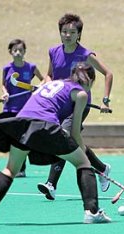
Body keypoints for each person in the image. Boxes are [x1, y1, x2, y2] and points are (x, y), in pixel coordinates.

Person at [0, 62, 111, 225]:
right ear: (91, 80)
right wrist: (84, 153)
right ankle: (92, 212)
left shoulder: (51, 84)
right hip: (45, 126)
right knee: (83, 163)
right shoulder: (81, 94)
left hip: (21, 125)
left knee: (10, 169)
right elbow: (75, 132)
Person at [37, 13, 114, 201]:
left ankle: (51, 183)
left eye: (72, 32)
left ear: (79, 34)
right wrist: (44, 83)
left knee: (63, 135)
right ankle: (102, 168)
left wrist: (105, 99)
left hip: (80, 103)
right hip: (59, 105)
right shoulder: (53, 52)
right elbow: (49, 75)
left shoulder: (86, 55)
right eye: (64, 32)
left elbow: (108, 73)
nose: (68, 35)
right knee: (70, 140)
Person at [0, 39, 44, 177]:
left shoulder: (30, 67)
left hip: (26, 108)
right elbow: (3, 84)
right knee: (13, 138)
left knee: (22, 138)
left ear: (25, 52)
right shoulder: (7, 68)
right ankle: (16, 167)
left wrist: (38, 87)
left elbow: (43, 79)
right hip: (10, 108)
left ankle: (21, 168)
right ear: (10, 52)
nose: (18, 53)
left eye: (20, 50)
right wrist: (5, 93)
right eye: (15, 50)